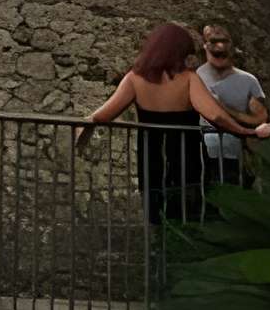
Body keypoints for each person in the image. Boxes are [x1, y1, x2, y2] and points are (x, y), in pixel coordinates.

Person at [76, 22, 251, 227]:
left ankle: (158, 252)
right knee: (188, 216)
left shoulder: (135, 78)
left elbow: (104, 115)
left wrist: (87, 123)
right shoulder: (188, 79)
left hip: (151, 156)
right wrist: (243, 131)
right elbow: (215, 115)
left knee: (155, 213)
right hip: (186, 155)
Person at [196, 21, 267, 186]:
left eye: (225, 41)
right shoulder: (196, 77)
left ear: (233, 45)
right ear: (205, 45)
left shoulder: (248, 81)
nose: (220, 46)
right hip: (200, 156)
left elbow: (260, 118)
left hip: (234, 157)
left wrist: (223, 108)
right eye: (213, 41)